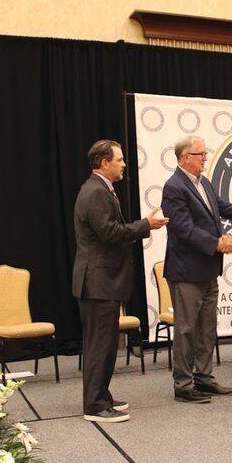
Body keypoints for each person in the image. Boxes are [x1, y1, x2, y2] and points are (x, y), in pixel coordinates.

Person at [73, 140, 168, 423]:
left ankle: (102, 395)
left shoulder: (101, 189)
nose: (124, 164)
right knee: (99, 344)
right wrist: (144, 226)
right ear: (104, 163)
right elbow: (109, 232)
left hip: (103, 281)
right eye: (120, 159)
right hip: (97, 281)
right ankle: (94, 405)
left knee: (105, 342)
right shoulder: (95, 192)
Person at [161, 136, 232, 403]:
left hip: (207, 270)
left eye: (205, 153)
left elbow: (223, 208)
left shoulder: (203, 182)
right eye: (201, 154)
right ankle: (183, 384)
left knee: (206, 328)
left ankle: (204, 378)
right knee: (186, 330)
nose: (205, 158)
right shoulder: (174, 187)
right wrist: (215, 243)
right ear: (185, 158)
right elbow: (182, 227)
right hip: (186, 272)